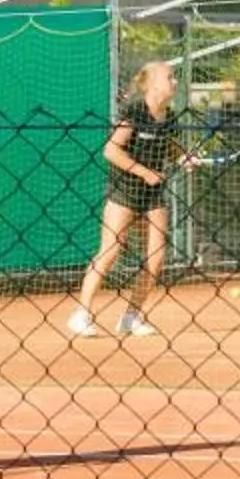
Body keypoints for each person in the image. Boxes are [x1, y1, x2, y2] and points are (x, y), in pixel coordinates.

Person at [69, 58, 182, 340]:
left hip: (153, 194)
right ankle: (81, 314)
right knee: (110, 251)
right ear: (153, 83)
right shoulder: (134, 110)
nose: (175, 81)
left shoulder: (170, 117)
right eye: (170, 77)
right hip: (124, 191)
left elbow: (173, 150)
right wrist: (144, 172)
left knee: (155, 259)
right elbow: (111, 151)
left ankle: (131, 317)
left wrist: (184, 157)